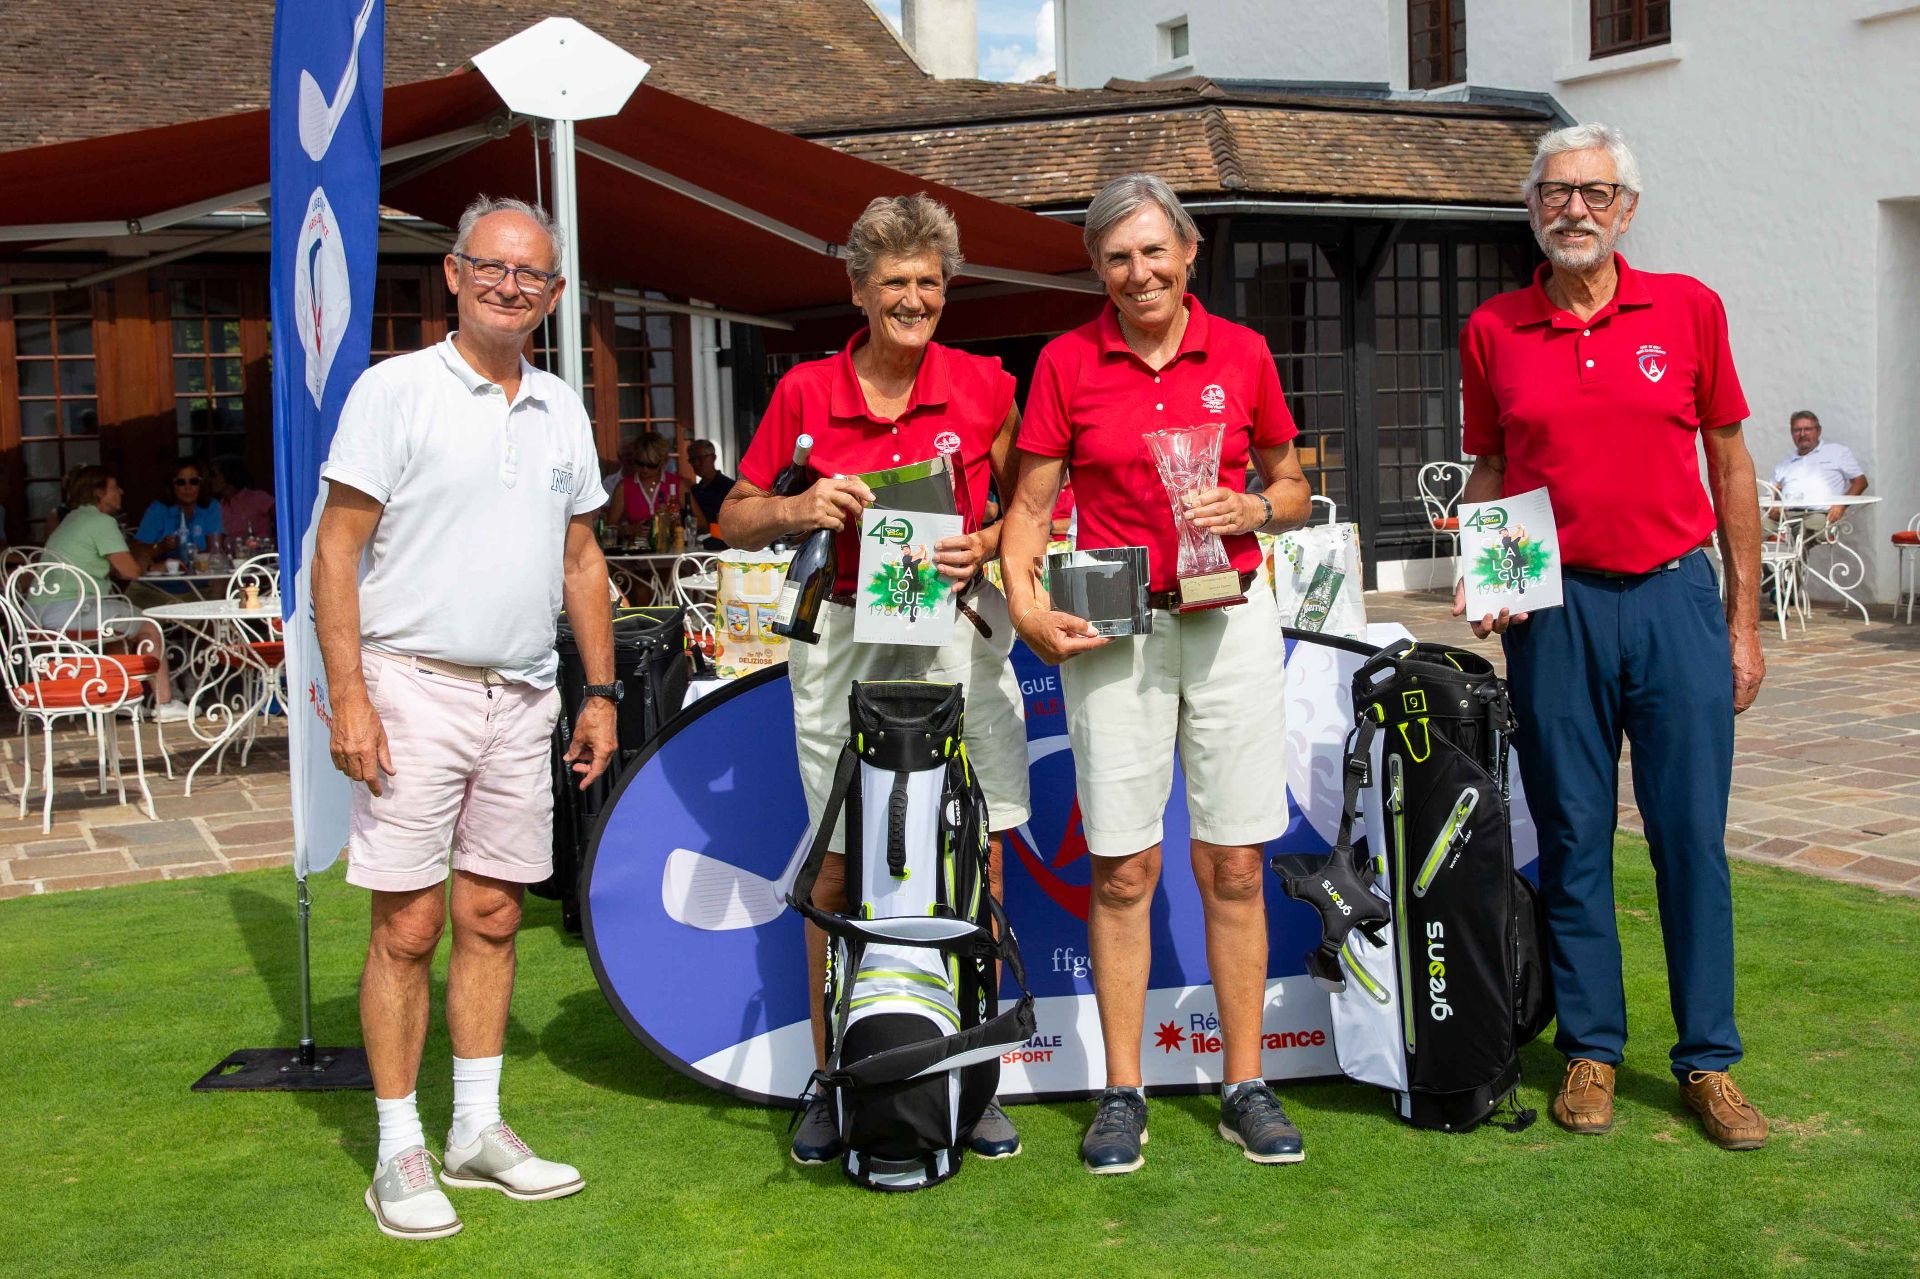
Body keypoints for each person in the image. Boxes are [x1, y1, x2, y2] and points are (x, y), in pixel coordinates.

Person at [1454, 122, 1769, 1151]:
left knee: (1691, 841)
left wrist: (1743, 622)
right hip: (1557, 613)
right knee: (1575, 835)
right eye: (1556, 193)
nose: (1574, 210)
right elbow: (1492, 468)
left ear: (1626, 209)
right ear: (1532, 210)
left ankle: (1708, 1059)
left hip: (1675, 599)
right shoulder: (1494, 327)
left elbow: (1730, 462)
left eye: (1594, 193)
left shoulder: (1689, 308)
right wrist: (1485, 571)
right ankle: (1591, 1047)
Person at [314, 196, 617, 1241]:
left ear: (554, 293)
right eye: (491, 266)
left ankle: (476, 1130)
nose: (509, 286)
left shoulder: (562, 407)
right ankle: (399, 1145)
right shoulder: (394, 390)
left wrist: (601, 692)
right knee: (408, 925)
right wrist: (349, 696)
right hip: (409, 684)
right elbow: (336, 549)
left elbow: (581, 559)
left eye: (530, 274)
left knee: (493, 916)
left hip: (525, 692)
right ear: (453, 272)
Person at [999, 173, 1312, 1175]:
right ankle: (1122, 1089)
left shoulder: (1245, 351)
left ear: (1188, 253)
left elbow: (1293, 484)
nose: (1139, 273)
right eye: (1118, 258)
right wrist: (1025, 609)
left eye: (1153, 252)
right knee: (1124, 868)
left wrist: (1254, 510)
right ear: (1099, 268)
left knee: (1235, 864)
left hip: (1230, 622)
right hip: (1115, 628)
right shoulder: (1065, 360)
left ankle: (1244, 1084)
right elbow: (1029, 511)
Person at [719, 193, 1032, 1168]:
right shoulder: (806, 392)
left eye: (929, 282)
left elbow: (1037, 499)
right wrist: (801, 505)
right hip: (845, 632)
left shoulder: (985, 384)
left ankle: (974, 1080)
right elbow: (734, 515)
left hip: (957, 629)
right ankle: (834, 1079)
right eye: (894, 281)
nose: (913, 298)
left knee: (979, 858)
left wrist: (989, 541)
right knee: (837, 867)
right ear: (858, 289)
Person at [34, 465, 189, 723]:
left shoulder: (72, 519)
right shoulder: (101, 521)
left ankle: (119, 700)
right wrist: (150, 562)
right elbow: (130, 571)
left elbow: (115, 568)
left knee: (119, 626)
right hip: (69, 611)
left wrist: (146, 562)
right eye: (114, 487)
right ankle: (165, 703)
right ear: (99, 493)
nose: (121, 492)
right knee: (148, 624)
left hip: (41, 611)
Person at [1766, 410, 1867, 539]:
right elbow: (1769, 495)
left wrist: (1841, 505)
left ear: (1818, 431)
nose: (1802, 434)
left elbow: (1860, 482)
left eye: (1808, 429)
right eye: (1797, 430)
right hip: (1785, 517)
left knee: (1802, 535)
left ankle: (1788, 548)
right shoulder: (1784, 464)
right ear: (1791, 433)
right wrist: (1773, 507)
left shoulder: (1837, 452)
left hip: (1818, 514)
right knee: (1750, 532)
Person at [132, 459, 222, 558]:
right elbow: (136, 550)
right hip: (165, 567)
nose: (188, 488)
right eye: (180, 482)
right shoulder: (157, 509)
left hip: (203, 567)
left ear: (202, 484)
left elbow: (215, 550)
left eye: (194, 481)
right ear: (171, 485)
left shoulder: (211, 506)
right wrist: (161, 547)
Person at [610, 430, 680, 540]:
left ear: (663, 462)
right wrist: (629, 530)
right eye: (640, 463)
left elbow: (700, 522)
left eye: (651, 465)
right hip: (637, 547)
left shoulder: (677, 483)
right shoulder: (624, 486)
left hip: (672, 547)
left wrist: (677, 526)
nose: (645, 469)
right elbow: (610, 527)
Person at [209, 454, 275, 540]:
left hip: (259, 547)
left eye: (213, 474)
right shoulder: (217, 507)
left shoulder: (257, 498)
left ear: (228, 474)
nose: (210, 479)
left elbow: (284, 517)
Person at [684, 438, 734, 548]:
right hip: (695, 546)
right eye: (692, 460)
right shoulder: (693, 491)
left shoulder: (730, 487)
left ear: (713, 458)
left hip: (722, 546)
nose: (696, 463)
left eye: (700, 458)